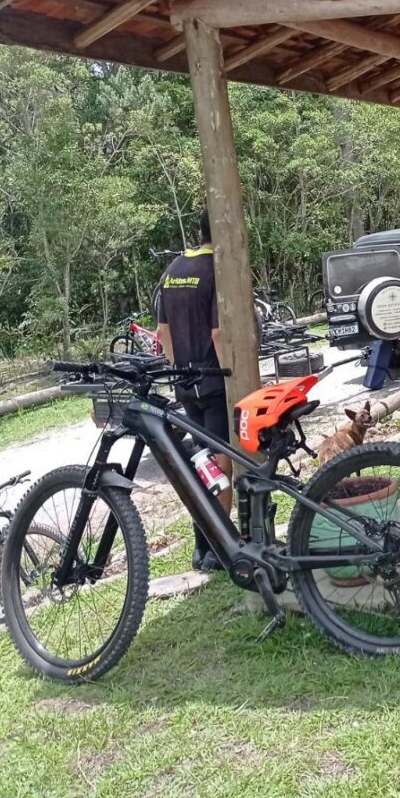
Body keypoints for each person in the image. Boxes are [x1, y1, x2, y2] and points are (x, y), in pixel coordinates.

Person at [155, 209, 231, 572]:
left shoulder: (172, 270)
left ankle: (201, 548)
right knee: (218, 464)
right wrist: (230, 375)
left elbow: (162, 332)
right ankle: (220, 548)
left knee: (199, 462)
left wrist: (179, 370)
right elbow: (217, 333)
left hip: (185, 384)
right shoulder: (217, 269)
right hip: (214, 382)